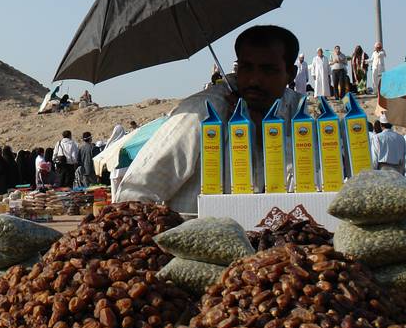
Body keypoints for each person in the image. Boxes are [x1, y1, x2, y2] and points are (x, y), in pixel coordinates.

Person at [115, 25, 307, 211]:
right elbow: (135, 193)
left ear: (290, 74)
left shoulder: (300, 115)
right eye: (247, 68)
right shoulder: (201, 113)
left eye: (268, 70)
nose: (254, 80)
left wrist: (258, 133)